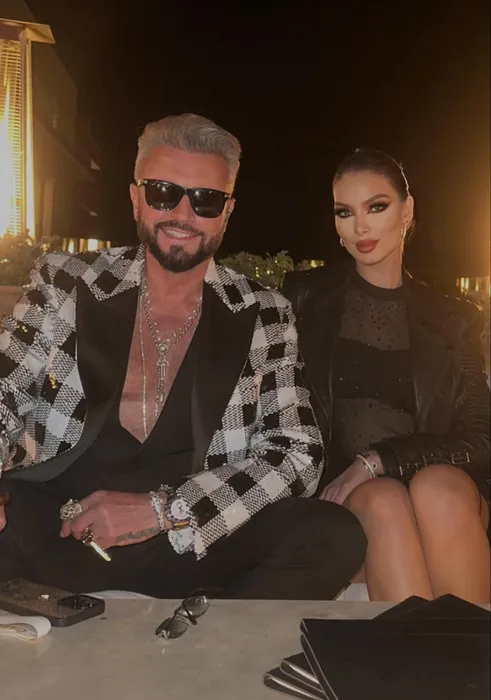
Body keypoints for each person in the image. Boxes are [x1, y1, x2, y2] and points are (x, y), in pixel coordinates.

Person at [0, 114, 366, 600]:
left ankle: (200, 635)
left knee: (332, 534)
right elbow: (6, 388)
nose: (182, 214)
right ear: (135, 197)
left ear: (227, 212)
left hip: (185, 540)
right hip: (59, 525)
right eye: (163, 193)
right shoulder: (66, 281)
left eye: (205, 200)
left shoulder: (263, 313)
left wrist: (166, 510)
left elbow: (297, 453)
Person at [283, 148, 490, 603]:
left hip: (441, 489)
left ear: (407, 211)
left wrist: (378, 459)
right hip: (353, 499)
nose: (359, 227)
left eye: (376, 207)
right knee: (384, 500)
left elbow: (481, 439)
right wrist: (363, 474)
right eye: (344, 212)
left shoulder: (454, 318)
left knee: (436, 489)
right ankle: (425, 649)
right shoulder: (303, 300)